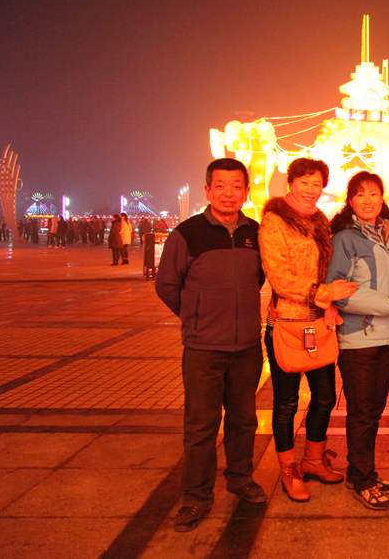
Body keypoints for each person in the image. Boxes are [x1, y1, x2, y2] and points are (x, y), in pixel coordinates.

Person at [155, 158, 267, 533]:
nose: (229, 193)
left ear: (246, 192)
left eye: (237, 186)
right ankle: (196, 496)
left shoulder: (255, 232)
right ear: (207, 190)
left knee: (243, 419)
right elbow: (167, 285)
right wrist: (196, 317)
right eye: (221, 185)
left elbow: (261, 278)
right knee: (201, 425)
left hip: (247, 347)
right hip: (204, 349)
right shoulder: (187, 234)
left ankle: (240, 478)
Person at [260, 158, 357, 503]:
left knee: (326, 396)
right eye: (305, 182)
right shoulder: (274, 221)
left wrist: (330, 300)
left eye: (317, 184)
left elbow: (329, 267)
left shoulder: (320, 223)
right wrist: (322, 293)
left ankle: (314, 459)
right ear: (291, 182)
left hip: (319, 322)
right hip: (286, 322)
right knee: (286, 402)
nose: (311, 189)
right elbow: (278, 275)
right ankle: (288, 468)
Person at [326, 171, 389, 510]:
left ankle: (362, 470)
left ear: (382, 197)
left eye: (374, 193)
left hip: (387, 335)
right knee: (362, 411)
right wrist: (388, 306)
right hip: (358, 337)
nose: (368, 200)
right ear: (350, 201)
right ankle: (362, 479)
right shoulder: (345, 239)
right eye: (360, 194)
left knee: (374, 410)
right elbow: (338, 292)